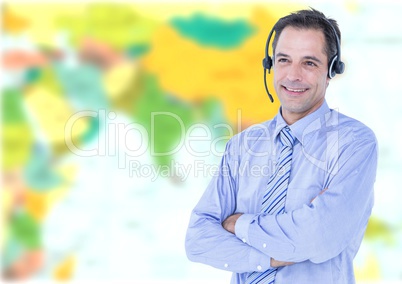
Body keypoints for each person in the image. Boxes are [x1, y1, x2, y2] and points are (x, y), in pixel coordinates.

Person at [185, 8, 378, 284]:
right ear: (270, 64)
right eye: (284, 60)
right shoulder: (243, 145)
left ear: (332, 70)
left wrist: (238, 224)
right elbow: (198, 239)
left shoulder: (354, 143)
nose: (293, 75)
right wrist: (272, 257)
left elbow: (319, 236)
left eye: (309, 63)